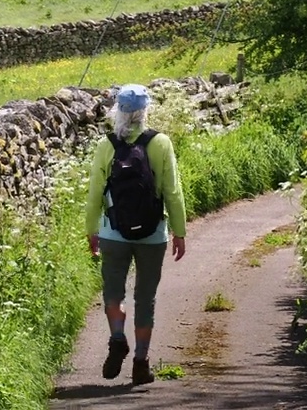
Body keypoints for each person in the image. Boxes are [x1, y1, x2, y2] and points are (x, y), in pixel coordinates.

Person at [85, 83, 187, 385]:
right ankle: (141, 362)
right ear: (146, 111)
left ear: (118, 110)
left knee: (113, 293)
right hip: (153, 234)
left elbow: (94, 195)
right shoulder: (161, 142)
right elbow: (173, 192)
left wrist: (92, 230)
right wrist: (179, 232)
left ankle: (117, 338)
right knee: (146, 298)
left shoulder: (106, 145)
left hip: (113, 233)